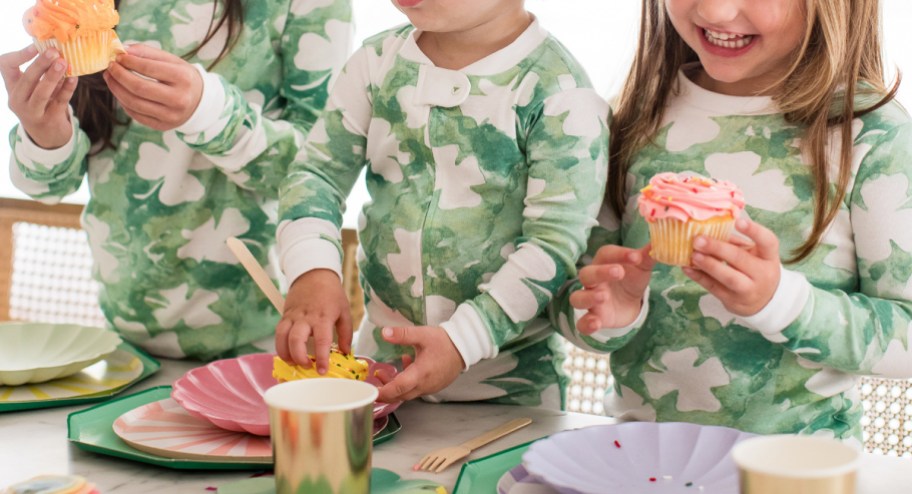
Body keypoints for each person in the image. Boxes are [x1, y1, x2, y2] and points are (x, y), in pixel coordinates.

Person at [556, 0, 912, 442]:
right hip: (641, 461)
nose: (716, 11)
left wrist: (782, 303)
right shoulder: (633, 118)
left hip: (798, 470)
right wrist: (613, 314)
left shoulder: (874, 136)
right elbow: (571, 307)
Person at [275, 0, 609, 408]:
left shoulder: (561, 93)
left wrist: (463, 341)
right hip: (376, 381)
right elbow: (316, 175)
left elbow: (554, 244)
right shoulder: (374, 63)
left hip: (512, 401)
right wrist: (312, 270)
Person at [1, 0, 353, 360]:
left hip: (260, 348)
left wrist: (209, 111)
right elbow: (49, 188)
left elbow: (321, 169)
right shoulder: (80, 9)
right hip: (125, 346)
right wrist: (43, 134)